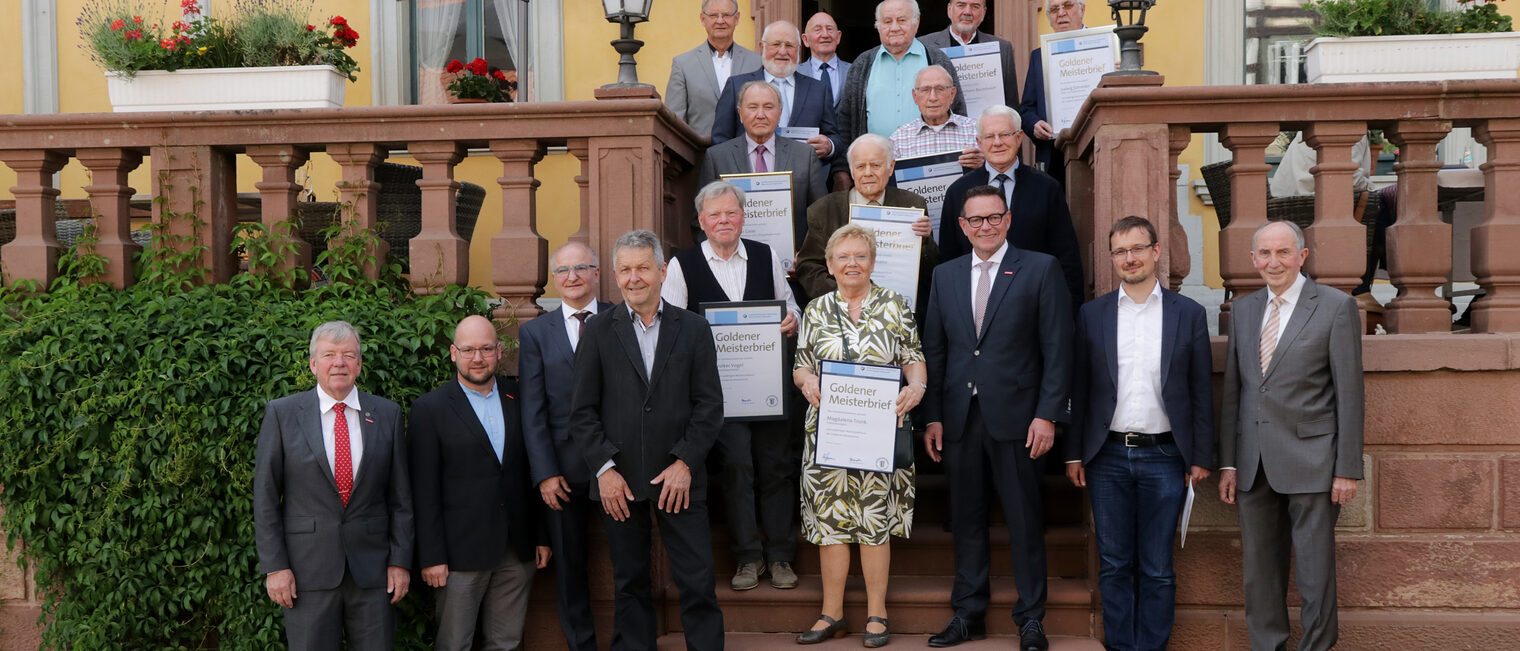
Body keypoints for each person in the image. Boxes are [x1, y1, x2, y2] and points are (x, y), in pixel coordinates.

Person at [921, 186, 1072, 651]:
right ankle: (968, 613)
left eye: (993, 218)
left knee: (1026, 520)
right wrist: (933, 418)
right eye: (975, 220)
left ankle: (1031, 619)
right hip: (960, 419)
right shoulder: (944, 276)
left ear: (1007, 220)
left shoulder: (1041, 268)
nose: (985, 226)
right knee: (966, 520)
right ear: (962, 227)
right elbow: (935, 350)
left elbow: (1057, 349)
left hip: (1020, 420)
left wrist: (1048, 415)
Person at [571, 229, 726, 651]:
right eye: (625, 269)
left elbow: (709, 406)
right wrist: (604, 470)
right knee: (630, 584)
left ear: (661, 271)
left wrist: (685, 464)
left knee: (697, 581)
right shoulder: (599, 332)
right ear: (615, 276)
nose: (633, 277)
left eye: (642, 267)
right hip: (619, 482)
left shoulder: (693, 329)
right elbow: (582, 412)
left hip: (680, 479)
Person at [1066, 216, 1214, 651]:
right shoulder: (1092, 315)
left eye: (1137, 248)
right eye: (1120, 251)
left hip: (1165, 457)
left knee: (1157, 566)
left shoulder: (1188, 314)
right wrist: (1074, 454)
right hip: (1106, 456)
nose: (1129, 258)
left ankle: (1151, 646)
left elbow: (1201, 391)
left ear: (1155, 251)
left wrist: (1200, 456)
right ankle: (1120, 645)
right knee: (1113, 563)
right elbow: (1081, 389)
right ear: (1112, 259)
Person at [1218, 220, 1364, 651]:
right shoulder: (1242, 312)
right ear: (1253, 260)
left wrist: (1347, 469)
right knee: (1259, 571)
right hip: (1253, 464)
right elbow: (1235, 394)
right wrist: (1229, 461)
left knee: (1315, 573)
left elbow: (1349, 394)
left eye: (1283, 252)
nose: (1273, 262)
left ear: (1302, 256)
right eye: (1264, 253)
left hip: (1314, 462)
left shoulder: (1336, 307)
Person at [662, 181, 803, 591]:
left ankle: (780, 556)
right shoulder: (681, 264)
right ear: (702, 220)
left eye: (732, 213)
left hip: (767, 386)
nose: (724, 220)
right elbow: (671, 328)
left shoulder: (765, 255)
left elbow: (789, 305)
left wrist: (792, 319)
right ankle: (747, 558)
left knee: (776, 467)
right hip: (716, 393)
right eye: (715, 214)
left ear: (743, 216)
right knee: (737, 467)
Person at [793, 223, 927, 648]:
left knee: (872, 523)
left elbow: (913, 358)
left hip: (877, 432)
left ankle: (876, 613)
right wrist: (806, 383)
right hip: (828, 434)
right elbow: (801, 364)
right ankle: (831, 614)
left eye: (861, 256)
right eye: (843, 257)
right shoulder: (815, 310)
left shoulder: (894, 304)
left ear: (872, 262)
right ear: (829, 265)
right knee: (830, 526)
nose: (852, 263)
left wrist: (916, 387)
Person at [254, 321, 413, 650]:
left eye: (348, 355)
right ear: (313, 364)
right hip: (305, 573)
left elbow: (401, 499)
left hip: (373, 574)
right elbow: (266, 498)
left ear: (359, 364)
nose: (339, 363)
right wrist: (275, 567)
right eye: (329, 355)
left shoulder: (387, 414)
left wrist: (399, 562)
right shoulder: (282, 414)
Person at [409, 315, 551, 651]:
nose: (478, 358)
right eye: (469, 350)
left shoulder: (520, 398)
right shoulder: (430, 409)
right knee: (454, 644)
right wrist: (431, 556)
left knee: (506, 642)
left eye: (486, 349)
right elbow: (422, 490)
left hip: (517, 549)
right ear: (453, 353)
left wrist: (541, 537)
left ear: (499, 351)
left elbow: (534, 471)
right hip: (458, 555)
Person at [520, 242, 613, 651]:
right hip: (560, 471)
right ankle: (582, 645)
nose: (572, 276)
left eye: (581, 267)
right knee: (570, 568)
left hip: (617, 465)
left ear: (597, 273)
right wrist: (544, 472)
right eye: (563, 270)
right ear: (554, 280)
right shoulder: (536, 333)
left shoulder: (621, 319)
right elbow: (532, 409)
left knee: (629, 563)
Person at [939, 105, 1083, 311]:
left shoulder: (1047, 188)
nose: (997, 143)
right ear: (979, 142)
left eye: (1005, 134)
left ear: (1019, 137)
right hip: (976, 307)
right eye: (989, 136)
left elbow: (1067, 257)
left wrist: (1069, 314)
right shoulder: (958, 192)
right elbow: (949, 259)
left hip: (1035, 304)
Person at [794, 134, 938, 309]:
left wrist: (925, 241)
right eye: (861, 166)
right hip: (842, 313)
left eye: (876, 165)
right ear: (852, 170)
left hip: (897, 312)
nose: (868, 172)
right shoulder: (824, 209)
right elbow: (809, 267)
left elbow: (932, 271)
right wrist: (848, 298)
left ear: (891, 167)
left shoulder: (912, 205)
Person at [834, 0, 966, 188]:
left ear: (916, 22)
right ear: (878, 26)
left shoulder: (937, 60)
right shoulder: (861, 65)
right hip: (874, 173)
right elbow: (845, 122)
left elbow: (958, 112)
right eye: (887, 21)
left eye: (902, 20)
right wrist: (842, 171)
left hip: (928, 172)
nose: (894, 27)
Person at [700, 80, 830, 248]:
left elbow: (822, 217)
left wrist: (806, 257)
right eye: (753, 107)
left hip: (795, 267)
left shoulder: (804, 155)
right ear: (740, 114)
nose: (760, 114)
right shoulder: (717, 157)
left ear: (780, 113)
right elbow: (701, 220)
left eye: (768, 107)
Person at [712, 21, 843, 162]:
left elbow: (834, 136)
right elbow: (720, 139)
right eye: (776, 44)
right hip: (748, 178)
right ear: (762, 47)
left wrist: (829, 146)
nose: (782, 51)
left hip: (804, 179)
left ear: (798, 49)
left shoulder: (819, 89)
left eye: (789, 45)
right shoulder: (736, 86)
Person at [666, 0, 762, 137]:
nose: (720, 20)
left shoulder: (756, 62)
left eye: (726, 15)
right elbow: (675, 121)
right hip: (698, 154)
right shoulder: (683, 65)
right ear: (702, 19)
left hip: (746, 154)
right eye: (713, 15)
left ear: (737, 18)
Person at [1018, 0, 1087, 189]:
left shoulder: (1106, 48)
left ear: (1082, 9)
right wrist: (1034, 125)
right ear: (1049, 17)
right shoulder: (1039, 57)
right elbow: (1026, 109)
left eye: (1068, 6)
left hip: (1095, 148)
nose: (1061, 13)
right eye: (1054, 9)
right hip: (1053, 155)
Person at [919, 0, 1021, 109]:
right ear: (949, 10)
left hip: (987, 124)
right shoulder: (924, 46)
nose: (967, 12)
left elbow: (1011, 105)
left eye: (975, 6)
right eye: (961, 5)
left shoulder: (1003, 49)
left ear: (984, 12)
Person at [888, 65, 984, 170]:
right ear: (915, 97)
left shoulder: (977, 130)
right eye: (925, 90)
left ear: (952, 94)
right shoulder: (898, 140)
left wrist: (986, 164)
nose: (933, 98)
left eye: (940, 89)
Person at [799, 12, 850, 109]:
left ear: (838, 37)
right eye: (818, 30)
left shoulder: (855, 71)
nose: (825, 35)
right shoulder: (795, 74)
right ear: (805, 39)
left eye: (830, 29)